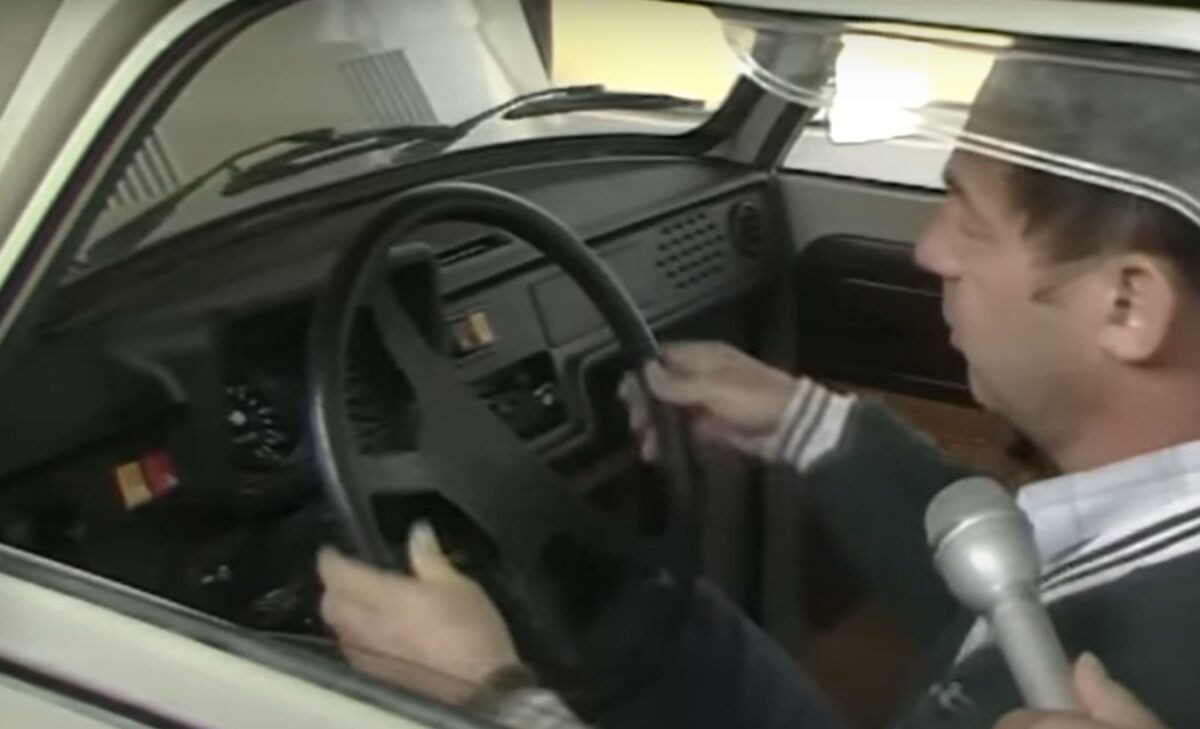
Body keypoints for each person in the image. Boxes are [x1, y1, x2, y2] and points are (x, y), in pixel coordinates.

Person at [318, 43, 1200, 729]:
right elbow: (1008, 582)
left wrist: (491, 698)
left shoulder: (1164, 666)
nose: (931, 249)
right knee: (668, 623)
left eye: (969, 219)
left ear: (1127, 303)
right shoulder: (1147, 543)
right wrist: (807, 423)